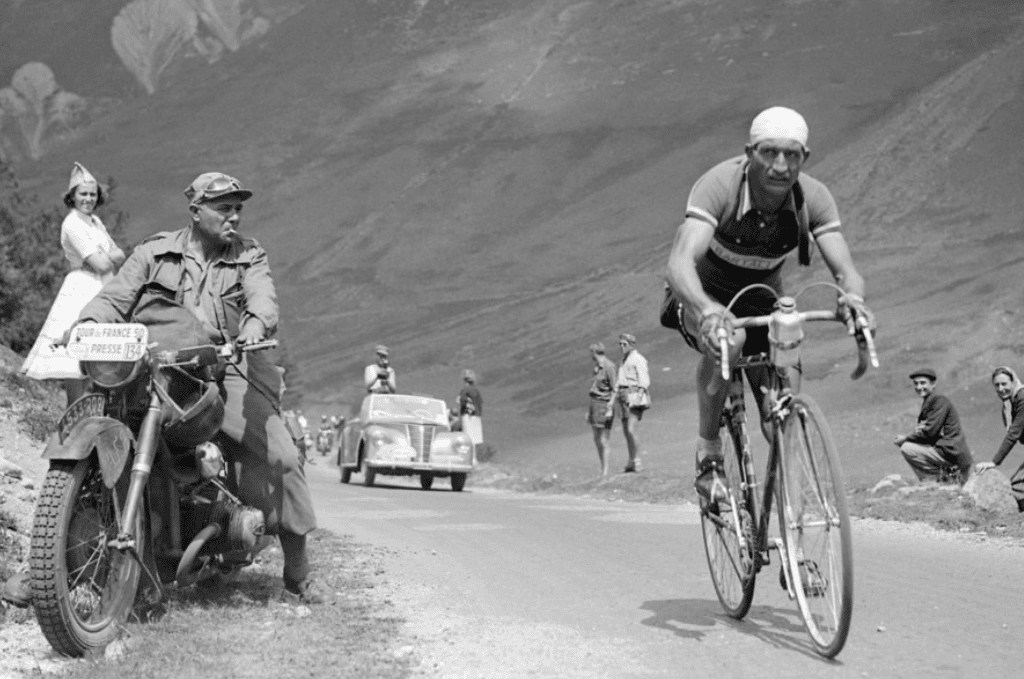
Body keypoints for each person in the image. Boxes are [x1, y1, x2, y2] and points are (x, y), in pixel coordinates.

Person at [75, 171, 324, 604]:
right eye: (223, 208)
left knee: (281, 456)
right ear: (195, 212)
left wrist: (251, 325)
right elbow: (114, 297)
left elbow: (262, 298)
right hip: (160, 365)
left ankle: (298, 569)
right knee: (101, 436)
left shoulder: (248, 254)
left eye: (237, 208)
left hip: (225, 367)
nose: (234, 216)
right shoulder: (154, 253)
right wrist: (89, 323)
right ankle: (59, 556)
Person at [665, 106, 875, 502]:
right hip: (701, 297)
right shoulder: (719, 185)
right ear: (749, 152)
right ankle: (709, 452)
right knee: (730, 342)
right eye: (769, 152)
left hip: (762, 304)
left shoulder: (813, 197)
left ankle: (790, 523)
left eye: (792, 154)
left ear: (805, 158)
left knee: (781, 412)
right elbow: (679, 264)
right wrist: (706, 310)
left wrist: (855, 301)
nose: (780, 165)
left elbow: (846, 270)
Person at [21, 162, 126, 404]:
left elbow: (117, 254)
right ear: (73, 196)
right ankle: (74, 411)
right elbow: (101, 263)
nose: (88, 199)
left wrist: (107, 258)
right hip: (82, 286)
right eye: (83, 194)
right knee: (76, 353)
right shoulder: (72, 223)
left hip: (103, 286)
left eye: (92, 194)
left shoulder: (95, 222)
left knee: (98, 353)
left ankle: (94, 413)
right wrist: (107, 258)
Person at [893, 368, 973, 484]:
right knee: (917, 443)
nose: (919, 387)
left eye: (923, 383)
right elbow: (929, 433)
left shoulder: (938, 400)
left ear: (933, 384)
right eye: (916, 384)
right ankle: (944, 477)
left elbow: (929, 432)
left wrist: (906, 438)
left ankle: (937, 480)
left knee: (907, 448)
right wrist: (922, 433)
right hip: (947, 444)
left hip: (951, 446)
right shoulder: (931, 401)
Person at [975, 367, 1024, 511]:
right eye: (997, 385)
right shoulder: (1009, 405)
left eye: (1004, 384)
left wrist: (994, 462)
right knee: (1016, 487)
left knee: (1016, 489)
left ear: (1013, 382)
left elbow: (1013, 434)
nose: (1001, 389)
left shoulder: (1022, 399)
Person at [608, 333, 650, 473]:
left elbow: (644, 380)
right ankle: (631, 460)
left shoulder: (638, 359)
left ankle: (637, 461)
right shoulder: (624, 360)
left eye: (624, 344)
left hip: (633, 395)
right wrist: (612, 399)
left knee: (631, 429)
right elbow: (619, 381)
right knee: (627, 431)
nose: (621, 347)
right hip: (623, 395)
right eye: (620, 344)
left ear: (631, 345)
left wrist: (638, 396)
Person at [586, 342, 617, 477]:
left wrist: (610, 405)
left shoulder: (609, 367)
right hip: (595, 403)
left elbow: (615, 388)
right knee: (596, 438)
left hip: (604, 403)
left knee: (604, 439)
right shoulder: (597, 368)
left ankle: (605, 471)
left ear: (594, 352)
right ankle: (602, 468)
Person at [458, 369, 484, 448]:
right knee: (475, 439)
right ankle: (474, 458)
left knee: (468, 438)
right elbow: (480, 402)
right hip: (477, 414)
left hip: (468, 415)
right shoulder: (476, 390)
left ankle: (471, 458)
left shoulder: (465, 389)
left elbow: (463, 400)